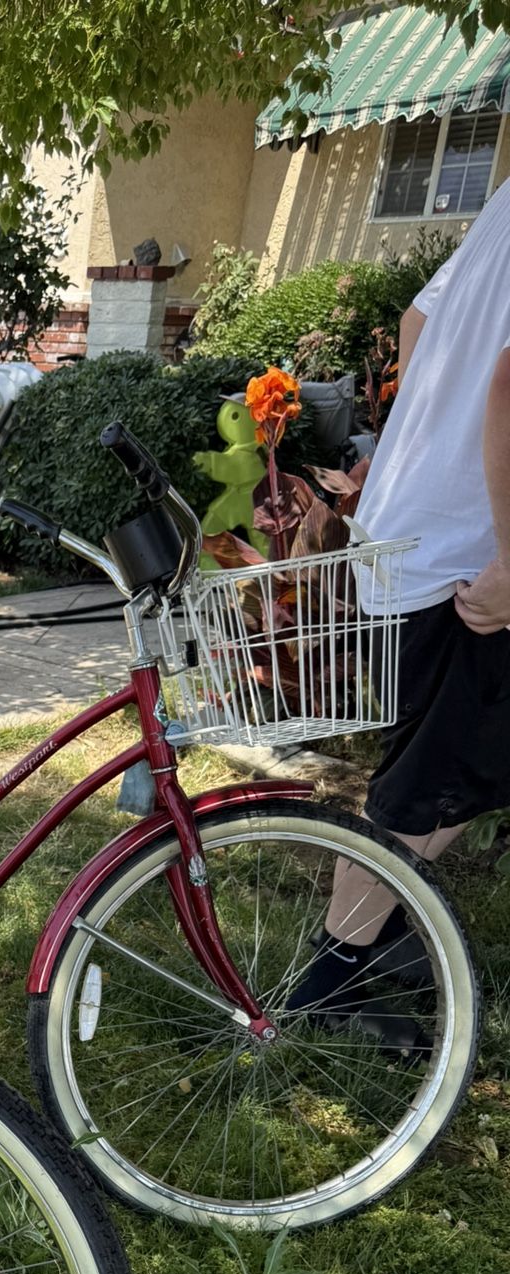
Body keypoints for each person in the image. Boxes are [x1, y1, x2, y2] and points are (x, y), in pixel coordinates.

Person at [288, 176, 510, 1033]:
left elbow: (421, 321)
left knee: (445, 766)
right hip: (464, 551)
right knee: (430, 782)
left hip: (413, 526)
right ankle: (332, 979)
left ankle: (372, 937)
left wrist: (420, 439)